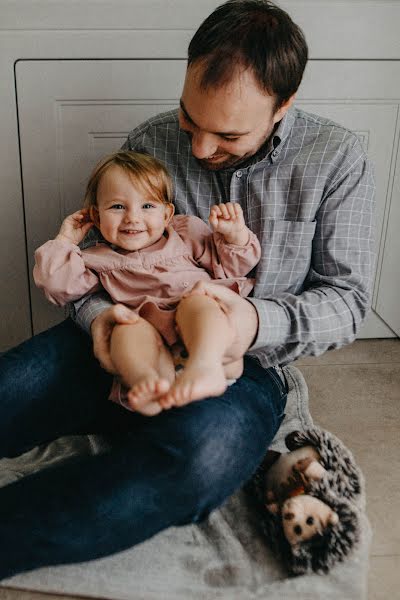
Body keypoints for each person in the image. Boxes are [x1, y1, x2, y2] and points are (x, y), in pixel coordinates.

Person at [0, 0, 374, 580]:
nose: (198, 149)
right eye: (188, 119)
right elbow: (99, 268)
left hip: (239, 367)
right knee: (10, 388)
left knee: (196, 461)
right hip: (128, 331)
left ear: (284, 106)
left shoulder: (336, 158)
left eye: (226, 134)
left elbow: (347, 301)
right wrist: (99, 319)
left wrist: (247, 320)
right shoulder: (150, 139)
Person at [33, 150, 261, 415]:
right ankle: (144, 381)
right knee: (125, 327)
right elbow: (59, 287)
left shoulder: (186, 232)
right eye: (117, 207)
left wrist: (235, 237)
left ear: (167, 215)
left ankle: (205, 365)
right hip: (150, 343)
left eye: (147, 206)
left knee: (202, 302)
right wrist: (64, 241)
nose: (133, 218)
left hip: (199, 328)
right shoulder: (95, 259)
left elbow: (231, 268)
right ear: (96, 217)